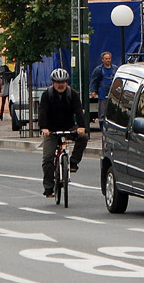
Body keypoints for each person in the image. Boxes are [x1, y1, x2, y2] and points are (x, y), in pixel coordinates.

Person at [38, 67, 88, 198]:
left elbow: (79, 111)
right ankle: (48, 187)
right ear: (53, 82)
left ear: (67, 82)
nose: (60, 85)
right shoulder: (47, 95)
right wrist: (44, 128)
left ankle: (73, 163)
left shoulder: (73, 94)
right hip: (51, 130)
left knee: (84, 138)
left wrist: (81, 127)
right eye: (57, 82)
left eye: (63, 82)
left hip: (69, 126)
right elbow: (42, 112)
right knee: (48, 158)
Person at [89, 51, 117, 131]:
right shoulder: (98, 70)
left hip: (113, 93)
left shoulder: (115, 68)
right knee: (102, 113)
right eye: (106, 59)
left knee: (113, 112)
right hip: (102, 93)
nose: (108, 60)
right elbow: (94, 81)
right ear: (102, 60)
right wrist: (93, 91)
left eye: (109, 58)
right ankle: (102, 128)